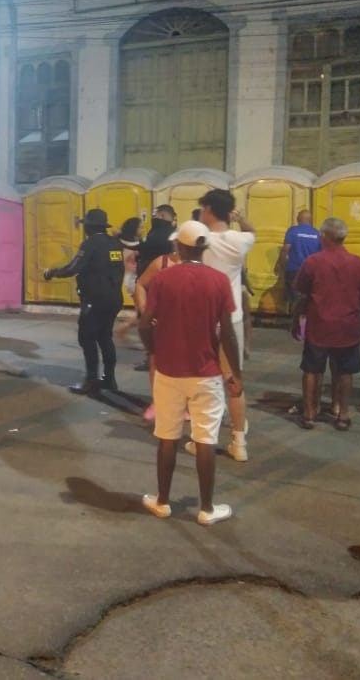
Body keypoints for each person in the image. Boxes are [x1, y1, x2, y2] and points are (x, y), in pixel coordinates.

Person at [140, 220, 243, 526]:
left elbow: (145, 324)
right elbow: (227, 333)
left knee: (167, 437)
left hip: (169, 372)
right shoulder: (219, 280)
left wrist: (154, 350)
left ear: (179, 247)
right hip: (206, 373)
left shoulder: (163, 278)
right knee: (205, 440)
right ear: (204, 247)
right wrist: (235, 373)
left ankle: (162, 502)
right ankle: (207, 509)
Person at [291, 217, 360, 431]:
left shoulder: (313, 262)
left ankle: (309, 414)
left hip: (319, 325)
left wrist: (296, 320)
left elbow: (302, 294)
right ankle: (342, 414)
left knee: (312, 370)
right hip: (347, 327)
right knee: (344, 372)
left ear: (325, 236)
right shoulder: (358, 263)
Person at [193, 189, 254, 462]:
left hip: (201, 321)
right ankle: (239, 442)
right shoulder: (241, 241)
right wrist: (240, 219)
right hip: (232, 320)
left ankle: (203, 440)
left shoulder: (198, 240)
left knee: (204, 382)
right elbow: (252, 231)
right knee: (233, 380)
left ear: (207, 209)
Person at [44, 208, 125, 394]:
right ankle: (109, 379)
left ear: (90, 226)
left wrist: (52, 272)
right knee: (105, 337)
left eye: (85, 225)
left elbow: (73, 268)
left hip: (95, 300)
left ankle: (91, 381)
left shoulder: (90, 244)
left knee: (86, 337)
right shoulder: (114, 243)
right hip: (113, 298)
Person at [133, 241, 179, 422]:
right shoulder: (162, 262)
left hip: (188, 324)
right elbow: (140, 285)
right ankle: (158, 403)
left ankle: (183, 404)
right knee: (156, 362)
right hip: (161, 323)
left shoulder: (201, 264)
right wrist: (145, 311)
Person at [132, 205, 176, 370]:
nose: (152, 218)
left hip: (152, 284)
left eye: (155, 215)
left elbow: (142, 249)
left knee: (149, 322)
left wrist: (138, 241)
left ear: (163, 215)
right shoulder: (173, 233)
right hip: (169, 286)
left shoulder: (157, 234)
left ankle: (152, 356)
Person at [281, 210, 321, 310]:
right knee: (309, 296)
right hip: (311, 271)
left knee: (294, 297)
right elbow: (321, 254)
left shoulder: (292, 231)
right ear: (310, 220)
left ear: (299, 218)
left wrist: (280, 265)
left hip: (293, 269)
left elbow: (286, 249)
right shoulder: (317, 234)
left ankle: (295, 317)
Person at [114, 216, 143, 339]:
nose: (142, 230)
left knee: (141, 310)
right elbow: (124, 261)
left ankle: (125, 329)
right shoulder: (131, 245)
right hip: (133, 280)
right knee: (143, 311)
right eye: (140, 227)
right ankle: (123, 328)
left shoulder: (126, 242)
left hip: (132, 279)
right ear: (134, 229)